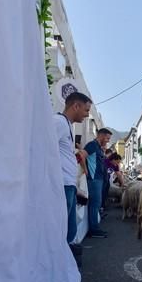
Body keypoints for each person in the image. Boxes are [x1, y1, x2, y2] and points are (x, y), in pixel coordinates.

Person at [55, 92, 91, 256]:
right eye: (86, 110)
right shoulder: (59, 123)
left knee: (69, 230)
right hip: (61, 186)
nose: (87, 114)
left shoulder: (67, 125)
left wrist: (75, 187)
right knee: (62, 230)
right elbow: (45, 150)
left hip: (68, 186)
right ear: (76, 106)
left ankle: (64, 268)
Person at [84, 127, 112, 238]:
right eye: (107, 138)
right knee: (94, 205)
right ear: (101, 135)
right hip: (94, 179)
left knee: (97, 204)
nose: (108, 140)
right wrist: (86, 170)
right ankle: (94, 230)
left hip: (99, 180)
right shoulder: (91, 145)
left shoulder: (99, 148)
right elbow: (81, 155)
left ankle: (95, 228)